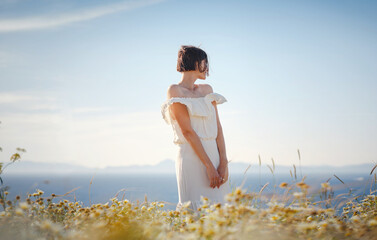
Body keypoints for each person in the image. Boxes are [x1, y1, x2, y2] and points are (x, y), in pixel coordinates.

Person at [161, 45, 231, 212]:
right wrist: (209, 166)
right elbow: (187, 132)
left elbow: (218, 127)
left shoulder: (207, 90)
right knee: (195, 211)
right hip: (192, 158)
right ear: (195, 62)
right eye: (204, 63)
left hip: (214, 156)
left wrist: (223, 162)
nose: (207, 68)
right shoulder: (174, 90)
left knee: (220, 210)